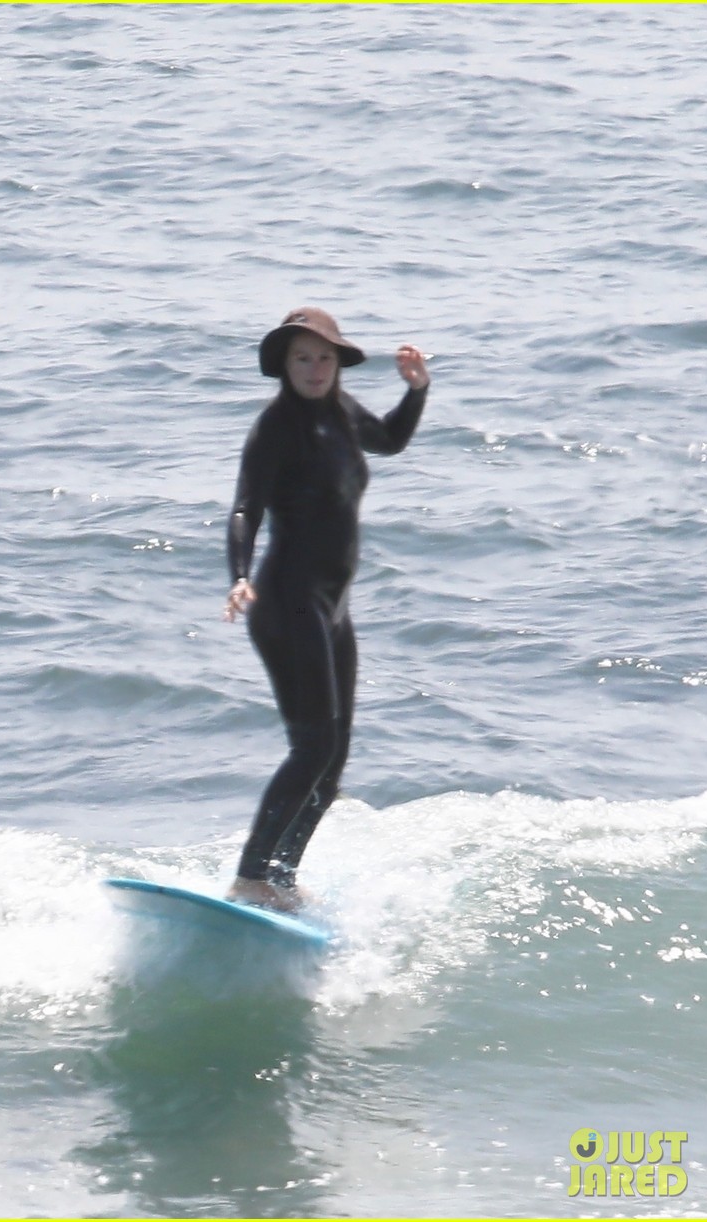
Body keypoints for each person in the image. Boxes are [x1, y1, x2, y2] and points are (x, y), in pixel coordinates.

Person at [223, 307, 430, 911]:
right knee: (311, 747)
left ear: (338, 362)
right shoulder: (275, 428)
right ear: (284, 367)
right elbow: (244, 509)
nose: (314, 369)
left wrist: (417, 392)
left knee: (332, 762)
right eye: (301, 358)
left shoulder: (342, 414)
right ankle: (250, 877)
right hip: (285, 601)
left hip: (331, 608)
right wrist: (238, 576)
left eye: (323, 357)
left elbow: (389, 440)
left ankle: (280, 879)